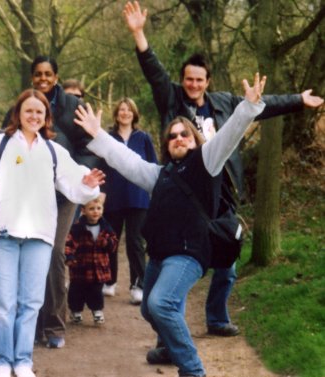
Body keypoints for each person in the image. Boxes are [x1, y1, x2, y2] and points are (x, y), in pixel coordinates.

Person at [123, 0, 324, 339]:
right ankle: (167, 339)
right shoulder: (171, 100)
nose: (193, 84)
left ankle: (216, 317)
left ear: (208, 81)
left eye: (199, 80)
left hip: (222, 191)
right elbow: (154, 72)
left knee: (227, 260)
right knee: (177, 260)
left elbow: (261, 106)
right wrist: (140, 34)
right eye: (188, 79)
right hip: (184, 190)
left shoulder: (224, 102)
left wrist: (298, 100)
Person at [74, 73, 266, 377]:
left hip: (189, 253)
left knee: (162, 303)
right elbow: (127, 160)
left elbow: (228, 136)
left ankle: (193, 371)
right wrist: (98, 135)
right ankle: (170, 347)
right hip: (160, 255)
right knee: (149, 309)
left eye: (184, 135)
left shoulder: (207, 163)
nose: (178, 138)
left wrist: (247, 108)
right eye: (172, 136)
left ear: (195, 140)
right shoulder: (160, 174)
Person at [0, 89, 104, 377]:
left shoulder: (53, 150)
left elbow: (75, 185)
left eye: (40, 112)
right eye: (28, 111)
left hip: (39, 236)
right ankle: (2, 362)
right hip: (3, 234)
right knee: (3, 303)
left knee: (31, 302)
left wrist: (87, 183)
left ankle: (23, 362)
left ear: (47, 116)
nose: (34, 116)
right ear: (18, 114)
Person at [0, 56, 100, 348]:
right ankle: (31, 323)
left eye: (48, 74)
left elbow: (89, 147)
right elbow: (5, 145)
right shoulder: (19, 107)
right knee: (29, 251)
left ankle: (55, 324)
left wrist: (78, 177)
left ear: (56, 77)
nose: (43, 79)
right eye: (38, 74)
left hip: (64, 194)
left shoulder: (72, 107)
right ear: (32, 78)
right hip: (29, 194)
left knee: (53, 252)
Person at [102, 97, 158, 304]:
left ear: (134, 114)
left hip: (138, 197)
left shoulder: (143, 138)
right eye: (121, 109)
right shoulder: (108, 138)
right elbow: (103, 165)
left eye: (128, 110)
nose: (124, 113)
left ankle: (139, 285)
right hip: (113, 197)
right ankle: (109, 282)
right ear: (116, 114)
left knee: (135, 241)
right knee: (111, 240)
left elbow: (153, 166)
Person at [65, 196, 118, 325]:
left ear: (103, 209)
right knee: (76, 291)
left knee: (96, 291)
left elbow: (114, 243)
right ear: (83, 210)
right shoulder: (77, 227)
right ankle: (76, 311)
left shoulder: (106, 227)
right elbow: (69, 243)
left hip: (98, 268)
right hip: (80, 267)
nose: (96, 212)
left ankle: (97, 311)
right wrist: (69, 257)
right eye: (91, 209)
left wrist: (106, 242)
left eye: (99, 208)